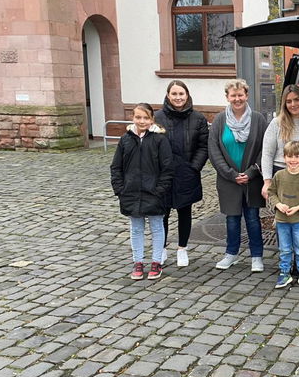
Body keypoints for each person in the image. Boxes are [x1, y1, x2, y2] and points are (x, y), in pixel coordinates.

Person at [209, 79, 267, 272]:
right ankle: (231, 254)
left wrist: (251, 172)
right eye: (233, 95)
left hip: (253, 179)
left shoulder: (258, 119)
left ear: (246, 95)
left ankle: (257, 256)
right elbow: (213, 150)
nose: (237, 99)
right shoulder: (219, 120)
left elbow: (264, 149)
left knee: (252, 218)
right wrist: (231, 174)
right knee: (232, 219)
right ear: (227, 97)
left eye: (240, 94)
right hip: (228, 180)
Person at [110, 103, 173, 280]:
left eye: (146, 118)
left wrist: (160, 190)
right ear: (133, 118)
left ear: (152, 119)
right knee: (136, 228)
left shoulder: (160, 140)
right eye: (138, 117)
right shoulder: (125, 140)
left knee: (157, 227)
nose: (142, 121)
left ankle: (156, 262)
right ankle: (138, 262)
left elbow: (167, 168)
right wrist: (120, 189)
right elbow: (116, 167)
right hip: (131, 192)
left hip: (153, 193)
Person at [155, 80, 209, 267]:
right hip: (163, 174)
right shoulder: (157, 117)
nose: (178, 98)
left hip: (186, 173)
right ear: (168, 95)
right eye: (174, 94)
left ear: (187, 95)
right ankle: (160, 249)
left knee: (184, 212)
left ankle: (182, 249)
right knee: (162, 214)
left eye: (181, 94)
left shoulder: (198, 118)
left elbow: (203, 146)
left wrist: (193, 167)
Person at [268, 140, 299, 290]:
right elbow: (271, 193)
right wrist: (278, 204)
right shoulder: (278, 175)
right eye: (290, 156)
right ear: (284, 157)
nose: (293, 160)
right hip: (282, 220)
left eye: (297, 156)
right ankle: (284, 272)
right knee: (284, 248)